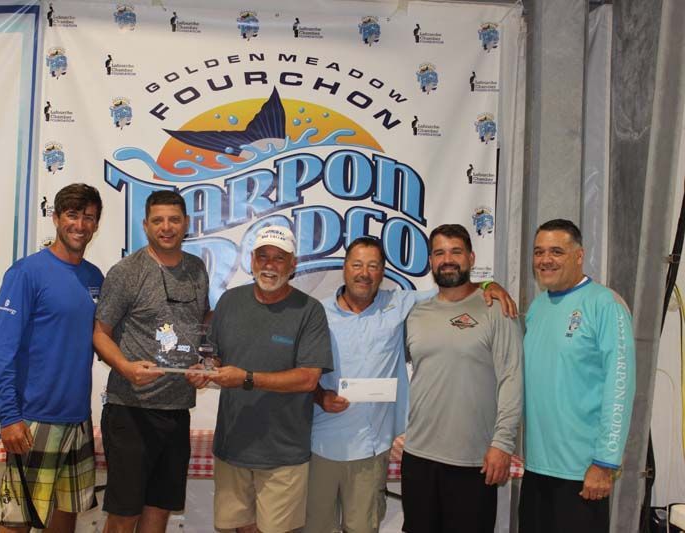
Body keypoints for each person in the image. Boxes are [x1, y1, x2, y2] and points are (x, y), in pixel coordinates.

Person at [304, 236, 518, 533]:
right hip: (320, 445)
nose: (364, 273)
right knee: (314, 528)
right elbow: (301, 371)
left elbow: (453, 285)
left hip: (371, 449)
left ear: (382, 273)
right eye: (357, 264)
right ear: (344, 268)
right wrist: (319, 396)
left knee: (362, 529)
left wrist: (487, 285)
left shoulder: (402, 303)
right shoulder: (316, 312)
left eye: (373, 266)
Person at [201, 225, 334, 533]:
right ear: (252, 261)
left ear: (293, 264)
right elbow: (215, 357)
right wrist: (205, 370)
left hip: (283, 452)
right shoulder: (229, 302)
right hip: (233, 445)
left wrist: (247, 377)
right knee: (240, 528)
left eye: (279, 258)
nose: (270, 265)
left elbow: (308, 379)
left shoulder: (309, 311)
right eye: (263, 257)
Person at [93, 190, 210, 533]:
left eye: (174, 219)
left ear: (186, 224)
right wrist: (125, 367)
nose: (167, 227)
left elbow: (202, 327)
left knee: (159, 511)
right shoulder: (127, 271)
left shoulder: (197, 269)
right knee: (124, 515)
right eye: (158, 220)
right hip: (131, 410)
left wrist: (206, 363)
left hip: (176, 412)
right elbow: (100, 333)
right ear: (145, 225)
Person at [0, 183, 104, 533]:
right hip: (33, 420)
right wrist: (9, 417)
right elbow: (2, 351)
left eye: (88, 217)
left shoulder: (94, 277)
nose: (80, 225)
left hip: (78, 419)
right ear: (55, 218)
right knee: (17, 521)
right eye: (72, 215)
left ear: (96, 225)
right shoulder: (26, 273)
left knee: (67, 514)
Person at [401, 224, 523, 533]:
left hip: (474, 459)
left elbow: (512, 377)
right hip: (418, 458)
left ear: (470, 257)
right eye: (439, 253)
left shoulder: (496, 308)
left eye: (456, 251)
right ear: (430, 261)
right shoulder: (416, 314)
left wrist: (502, 443)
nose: (448, 259)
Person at [519, 219, 636, 533]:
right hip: (537, 468)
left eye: (557, 251)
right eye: (539, 252)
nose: (545, 259)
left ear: (579, 255)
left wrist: (605, 462)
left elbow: (620, 386)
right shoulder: (537, 307)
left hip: (583, 472)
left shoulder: (605, 305)